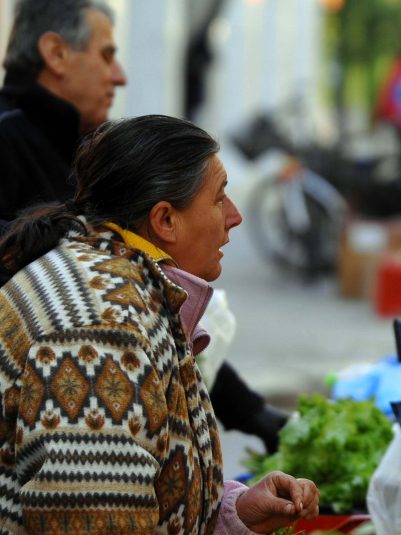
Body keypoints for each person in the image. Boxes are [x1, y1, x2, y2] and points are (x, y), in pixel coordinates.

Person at [0, 115, 321, 535]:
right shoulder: (100, 326)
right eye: (219, 198)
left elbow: (130, 468)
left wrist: (235, 511)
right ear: (165, 220)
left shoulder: (128, 285)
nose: (235, 217)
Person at [0, 0, 288, 453]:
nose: (120, 76)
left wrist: (252, 414)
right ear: (56, 53)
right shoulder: (103, 321)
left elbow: (170, 322)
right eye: (106, 55)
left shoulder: (84, 146)